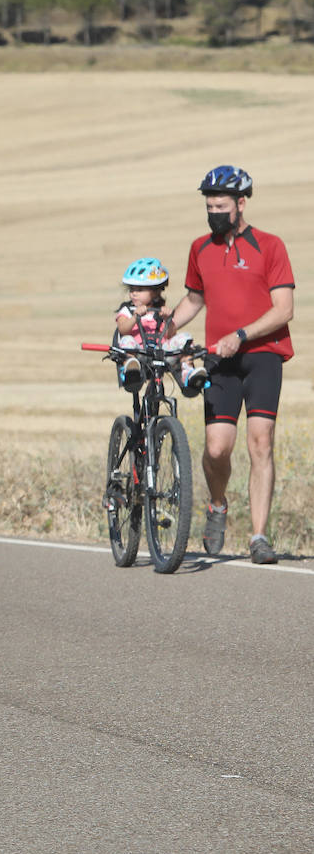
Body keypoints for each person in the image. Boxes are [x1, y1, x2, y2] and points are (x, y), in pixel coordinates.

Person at [170, 166, 294, 565]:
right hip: (217, 361)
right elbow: (194, 298)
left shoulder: (270, 246)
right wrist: (162, 329)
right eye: (209, 206)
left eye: (221, 206)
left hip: (263, 355)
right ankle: (218, 504)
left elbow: (284, 309)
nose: (214, 212)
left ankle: (258, 537)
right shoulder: (199, 249)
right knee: (217, 448)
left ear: (241, 204)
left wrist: (241, 335)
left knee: (261, 441)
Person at [114, 258, 207, 393]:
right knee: (126, 341)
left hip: (160, 354)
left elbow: (170, 335)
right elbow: (122, 329)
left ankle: (188, 374)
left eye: (139, 289)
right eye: (132, 289)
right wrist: (135, 317)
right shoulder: (127, 310)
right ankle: (131, 370)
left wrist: (168, 320)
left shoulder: (160, 310)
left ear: (156, 291)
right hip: (139, 354)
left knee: (185, 338)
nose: (134, 293)